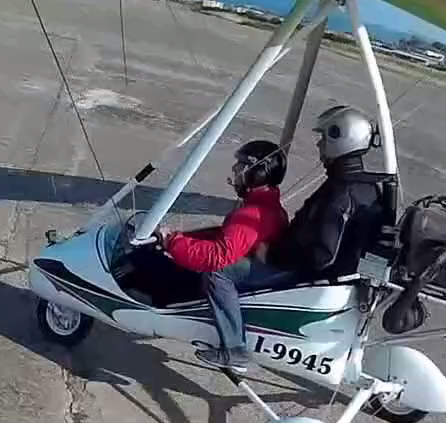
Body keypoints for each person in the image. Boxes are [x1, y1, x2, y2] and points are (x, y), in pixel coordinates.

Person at [157, 139, 291, 374]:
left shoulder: (254, 213)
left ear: (257, 172)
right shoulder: (265, 205)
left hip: (266, 273)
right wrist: (183, 238)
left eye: (241, 166)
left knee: (217, 271)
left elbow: (219, 256)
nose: (235, 171)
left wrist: (173, 243)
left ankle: (234, 349)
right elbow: (225, 236)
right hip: (268, 266)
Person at [270, 104, 390, 281]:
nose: (319, 144)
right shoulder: (368, 187)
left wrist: (271, 256)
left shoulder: (339, 193)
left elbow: (321, 256)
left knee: (229, 273)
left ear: (339, 140)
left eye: (324, 138)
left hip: (306, 279)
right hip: (339, 277)